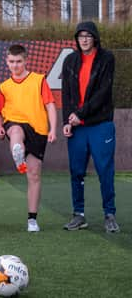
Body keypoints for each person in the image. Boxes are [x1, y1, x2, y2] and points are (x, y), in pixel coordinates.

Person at [61, 21, 118, 233]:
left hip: (100, 125)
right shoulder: (69, 61)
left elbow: (103, 93)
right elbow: (66, 95)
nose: (84, 39)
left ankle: (109, 215)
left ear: (95, 38)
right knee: (76, 172)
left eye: (88, 35)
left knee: (105, 171)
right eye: (80, 36)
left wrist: (80, 114)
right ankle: (79, 215)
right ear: (76, 39)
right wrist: (68, 120)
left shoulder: (106, 58)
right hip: (77, 128)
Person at [0, 44, 57, 233]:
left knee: (34, 174)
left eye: (18, 61)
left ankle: (32, 219)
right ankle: (17, 154)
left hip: (38, 130)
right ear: (7, 62)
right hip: (15, 123)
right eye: (11, 62)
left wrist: (53, 128)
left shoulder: (38, 80)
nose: (15, 65)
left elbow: (50, 105)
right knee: (15, 132)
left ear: (26, 60)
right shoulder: (4, 87)